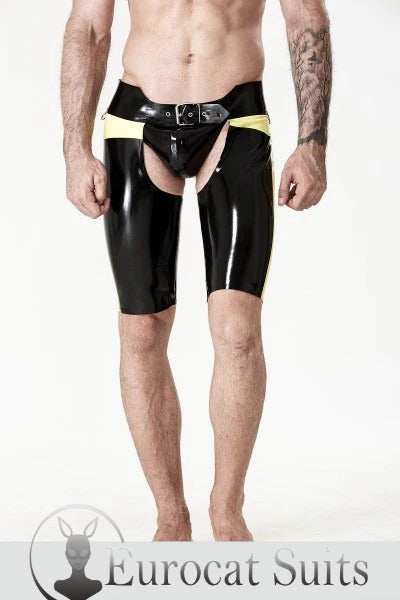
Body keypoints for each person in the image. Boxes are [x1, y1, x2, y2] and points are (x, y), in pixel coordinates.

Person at [61, 0, 331, 541]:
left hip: (236, 120)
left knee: (237, 328)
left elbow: (307, 18)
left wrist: (312, 144)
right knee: (141, 329)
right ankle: (171, 515)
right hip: (136, 122)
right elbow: (88, 25)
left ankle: (227, 509)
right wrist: (74, 149)